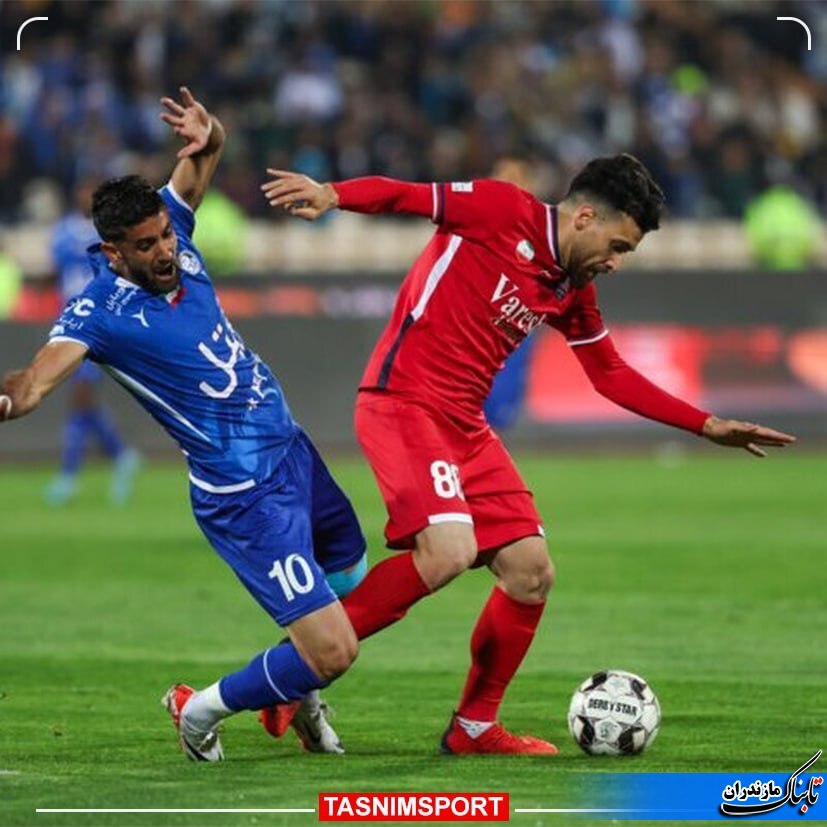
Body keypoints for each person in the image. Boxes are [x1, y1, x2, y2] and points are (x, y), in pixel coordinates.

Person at [261, 154, 796, 755]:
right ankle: (296, 665)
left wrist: (706, 424)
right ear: (585, 217)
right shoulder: (501, 209)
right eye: (618, 245)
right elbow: (407, 195)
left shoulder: (574, 288)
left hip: (465, 424)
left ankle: (473, 728)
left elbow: (610, 373)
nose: (616, 262)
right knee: (447, 554)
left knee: (530, 571)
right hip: (404, 402)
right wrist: (333, 193)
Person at [0, 88, 368, 762]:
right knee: (335, 649)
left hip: (292, 451)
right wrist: (9, 396)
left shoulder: (177, 233)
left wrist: (212, 135)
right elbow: (29, 386)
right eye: (147, 245)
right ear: (113, 253)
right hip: (244, 496)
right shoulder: (97, 313)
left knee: (349, 574)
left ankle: (294, 689)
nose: (166, 249)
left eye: (167, 234)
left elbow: (198, 169)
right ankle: (198, 709)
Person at [45, 179, 141, 506]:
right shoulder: (63, 231)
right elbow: (58, 272)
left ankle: (69, 474)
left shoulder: (110, 234)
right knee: (83, 400)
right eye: (82, 191)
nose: (85, 196)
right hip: (70, 321)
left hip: (99, 323)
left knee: (80, 396)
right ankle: (120, 456)